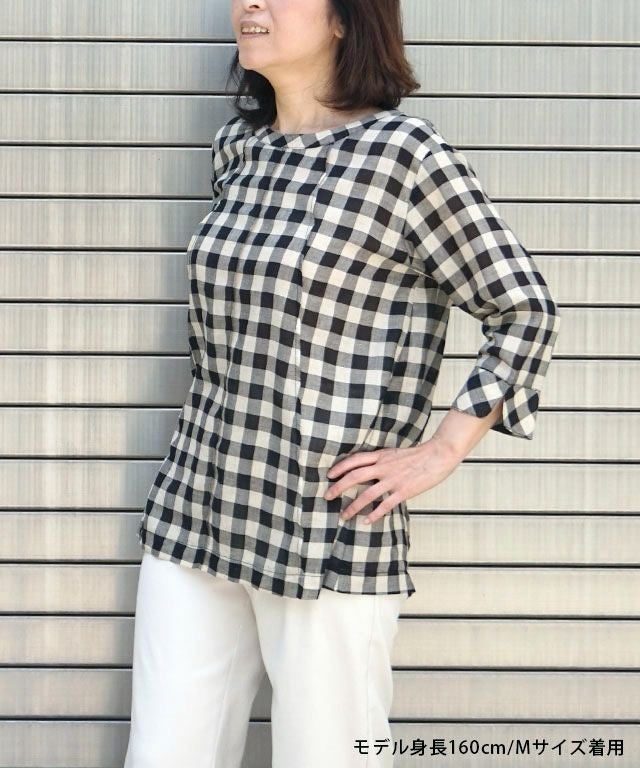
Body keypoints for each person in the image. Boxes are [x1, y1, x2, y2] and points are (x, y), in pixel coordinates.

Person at [124, 0, 561, 766]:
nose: (250, 3)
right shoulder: (240, 149)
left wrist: (441, 451)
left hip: (326, 524)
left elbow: (524, 309)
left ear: (344, 19)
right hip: (198, 509)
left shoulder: (406, 156)